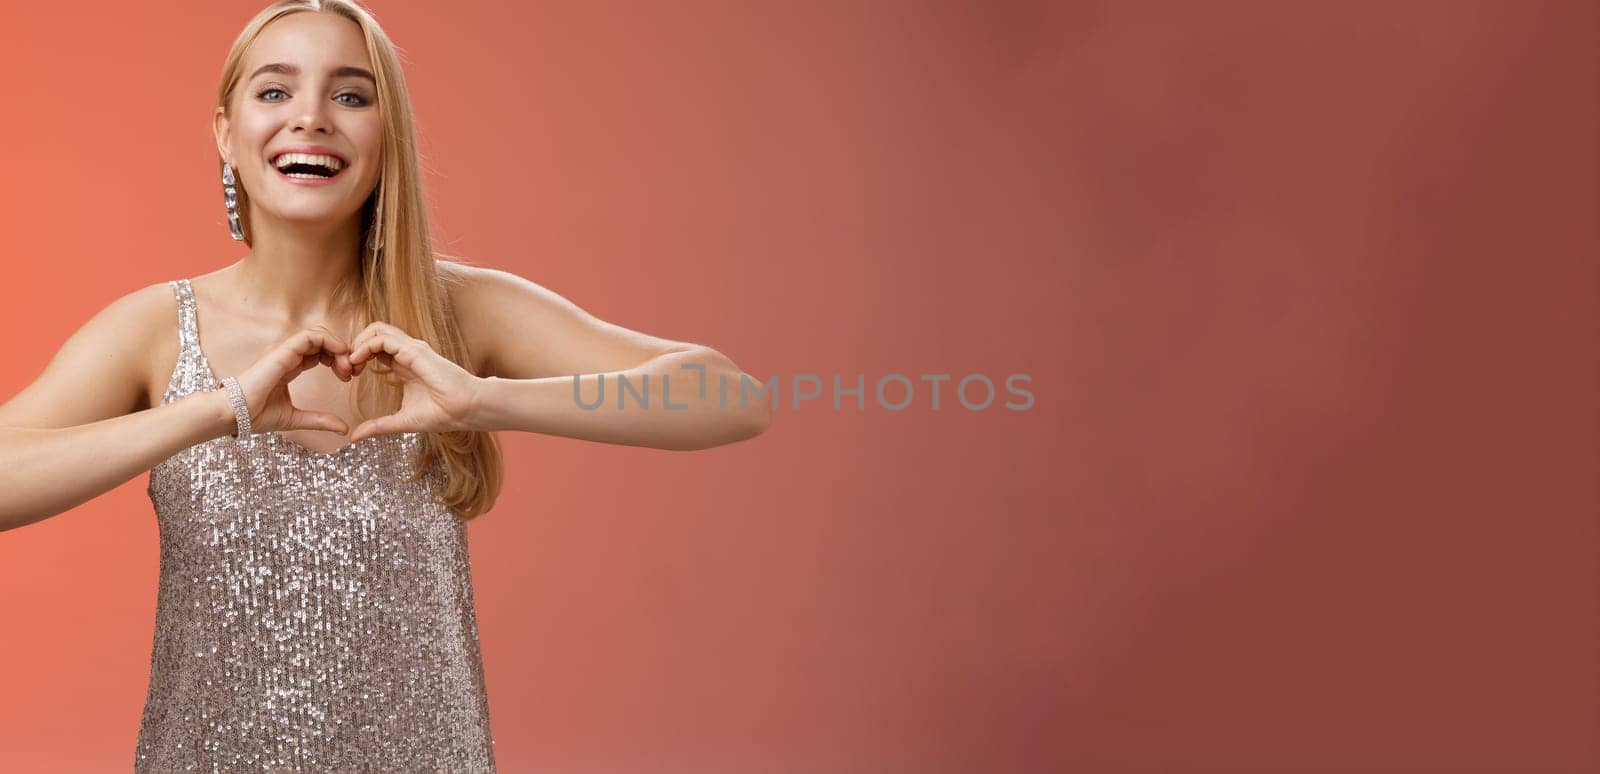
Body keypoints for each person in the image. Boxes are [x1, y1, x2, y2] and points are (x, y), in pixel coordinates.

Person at [0, 1, 771, 770]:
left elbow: (730, 397)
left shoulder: (459, 311)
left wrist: (485, 400)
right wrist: (217, 410)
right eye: (274, 91)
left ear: (386, 136)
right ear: (225, 134)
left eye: (351, 95)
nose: (311, 118)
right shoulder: (158, 330)